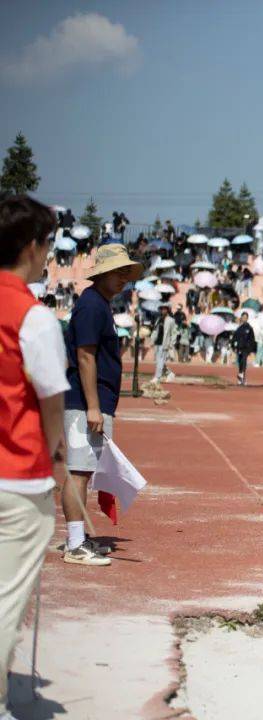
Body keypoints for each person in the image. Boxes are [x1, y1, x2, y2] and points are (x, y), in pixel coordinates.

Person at [0, 196, 69, 714]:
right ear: (32, 246)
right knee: (6, 602)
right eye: (48, 245)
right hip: (17, 477)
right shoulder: (34, 316)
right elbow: (50, 402)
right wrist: (53, 460)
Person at [63, 242, 143, 565]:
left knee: (84, 470)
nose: (125, 278)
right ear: (104, 273)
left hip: (91, 401)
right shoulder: (93, 305)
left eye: (127, 272)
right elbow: (85, 356)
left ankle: (78, 539)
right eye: (120, 272)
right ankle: (74, 544)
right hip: (84, 402)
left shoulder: (99, 304)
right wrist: (93, 406)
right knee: (79, 471)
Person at [151, 305, 177, 384]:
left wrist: (171, 343)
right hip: (157, 343)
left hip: (165, 343)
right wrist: (152, 340)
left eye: (165, 309)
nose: (163, 310)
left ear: (168, 310)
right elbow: (155, 330)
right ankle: (170, 374)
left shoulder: (171, 320)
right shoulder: (159, 319)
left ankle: (157, 377)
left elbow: (174, 333)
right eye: (162, 309)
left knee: (160, 360)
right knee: (159, 361)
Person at [232, 311, 256, 386]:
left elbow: (252, 339)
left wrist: (252, 349)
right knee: (240, 362)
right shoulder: (238, 328)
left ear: (247, 318)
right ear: (241, 318)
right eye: (243, 317)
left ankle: (243, 376)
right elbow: (234, 338)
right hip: (239, 348)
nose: (244, 318)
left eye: (246, 317)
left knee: (244, 361)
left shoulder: (249, 328)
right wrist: (234, 346)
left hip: (246, 348)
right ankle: (240, 377)